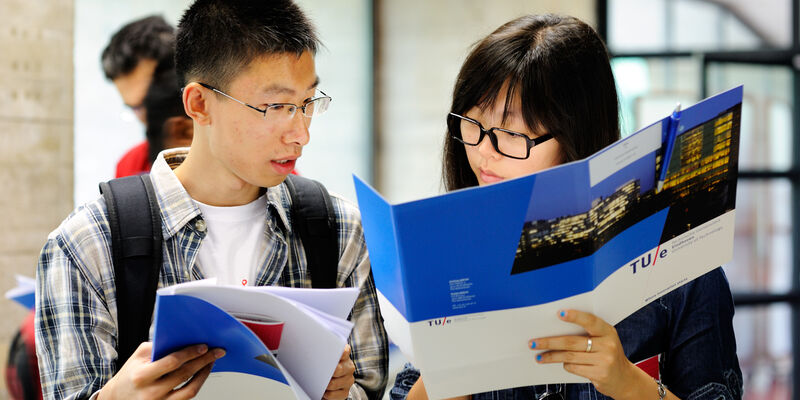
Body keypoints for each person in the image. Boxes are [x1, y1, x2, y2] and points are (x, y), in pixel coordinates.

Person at [35, 1, 388, 399]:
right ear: (199, 104)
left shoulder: (338, 229)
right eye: (276, 107)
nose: (300, 134)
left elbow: (369, 386)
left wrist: (340, 393)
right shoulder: (87, 246)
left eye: (307, 103)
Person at [391, 14, 742, 400]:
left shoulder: (683, 267)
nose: (483, 154)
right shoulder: (453, 259)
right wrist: (450, 367)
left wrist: (628, 383)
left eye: (510, 134)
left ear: (576, 135)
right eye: (472, 124)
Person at [101, 15, 176, 178]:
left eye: (148, 103)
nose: (145, 118)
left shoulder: (233, 159)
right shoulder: (130, 167)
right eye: (134, 108)